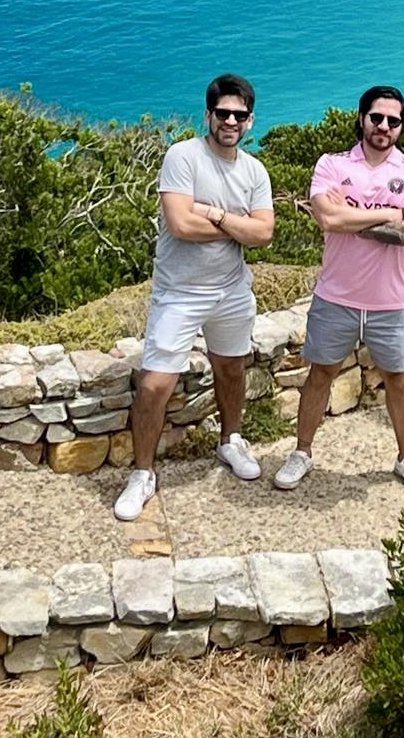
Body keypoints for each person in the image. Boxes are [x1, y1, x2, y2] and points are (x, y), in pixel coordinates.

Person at [114, 74, 275, 522]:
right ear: (207, 115)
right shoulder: (182, 156)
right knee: (155, 384)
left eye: (238, 115)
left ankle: (231, 440)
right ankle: (142, 472)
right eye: (221, 113)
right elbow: (180, 226)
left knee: (231, 368)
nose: (229, 121)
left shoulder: (253, 170)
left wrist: (213, 212)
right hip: (179, 292)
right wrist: (235, 223)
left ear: (250, 121)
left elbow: (264, 234)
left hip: (231, 288)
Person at [272, 85, 404, 496]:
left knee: (398, 380)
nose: (384, 126)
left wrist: (351, 216)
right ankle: (302, 451)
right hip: (336, 297)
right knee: (320, 374)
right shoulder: (331, 164)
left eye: (393, 120)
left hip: (391, 302)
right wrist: (388, 213)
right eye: (376, 117)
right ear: (362, 118)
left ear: (402, 126)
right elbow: (327, 218)